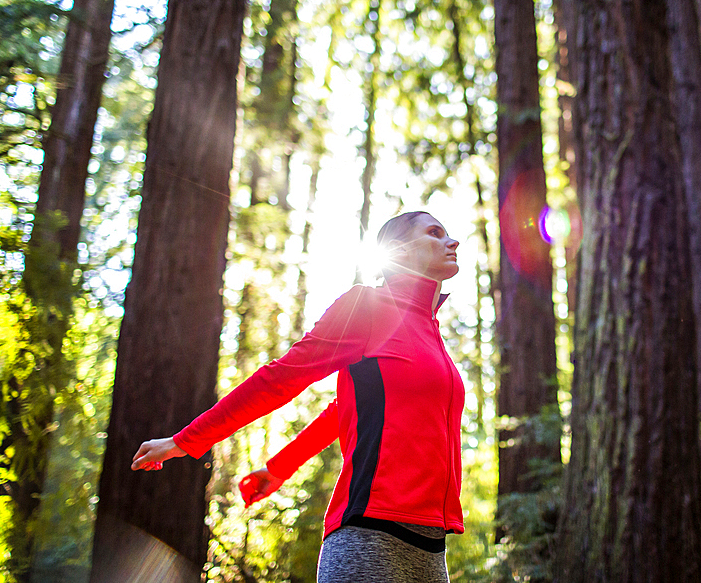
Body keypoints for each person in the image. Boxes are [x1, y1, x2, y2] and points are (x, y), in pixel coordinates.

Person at [131, 211, 465, 583]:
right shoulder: (367, 307)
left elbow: (344, 410)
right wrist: (184, 441)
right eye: (435, 233)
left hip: (432, 549)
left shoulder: (430, 332)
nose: (452, 242)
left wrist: (278, 468)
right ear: (399, 251)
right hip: (369, 539)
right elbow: (280, 379)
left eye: (449, 234)